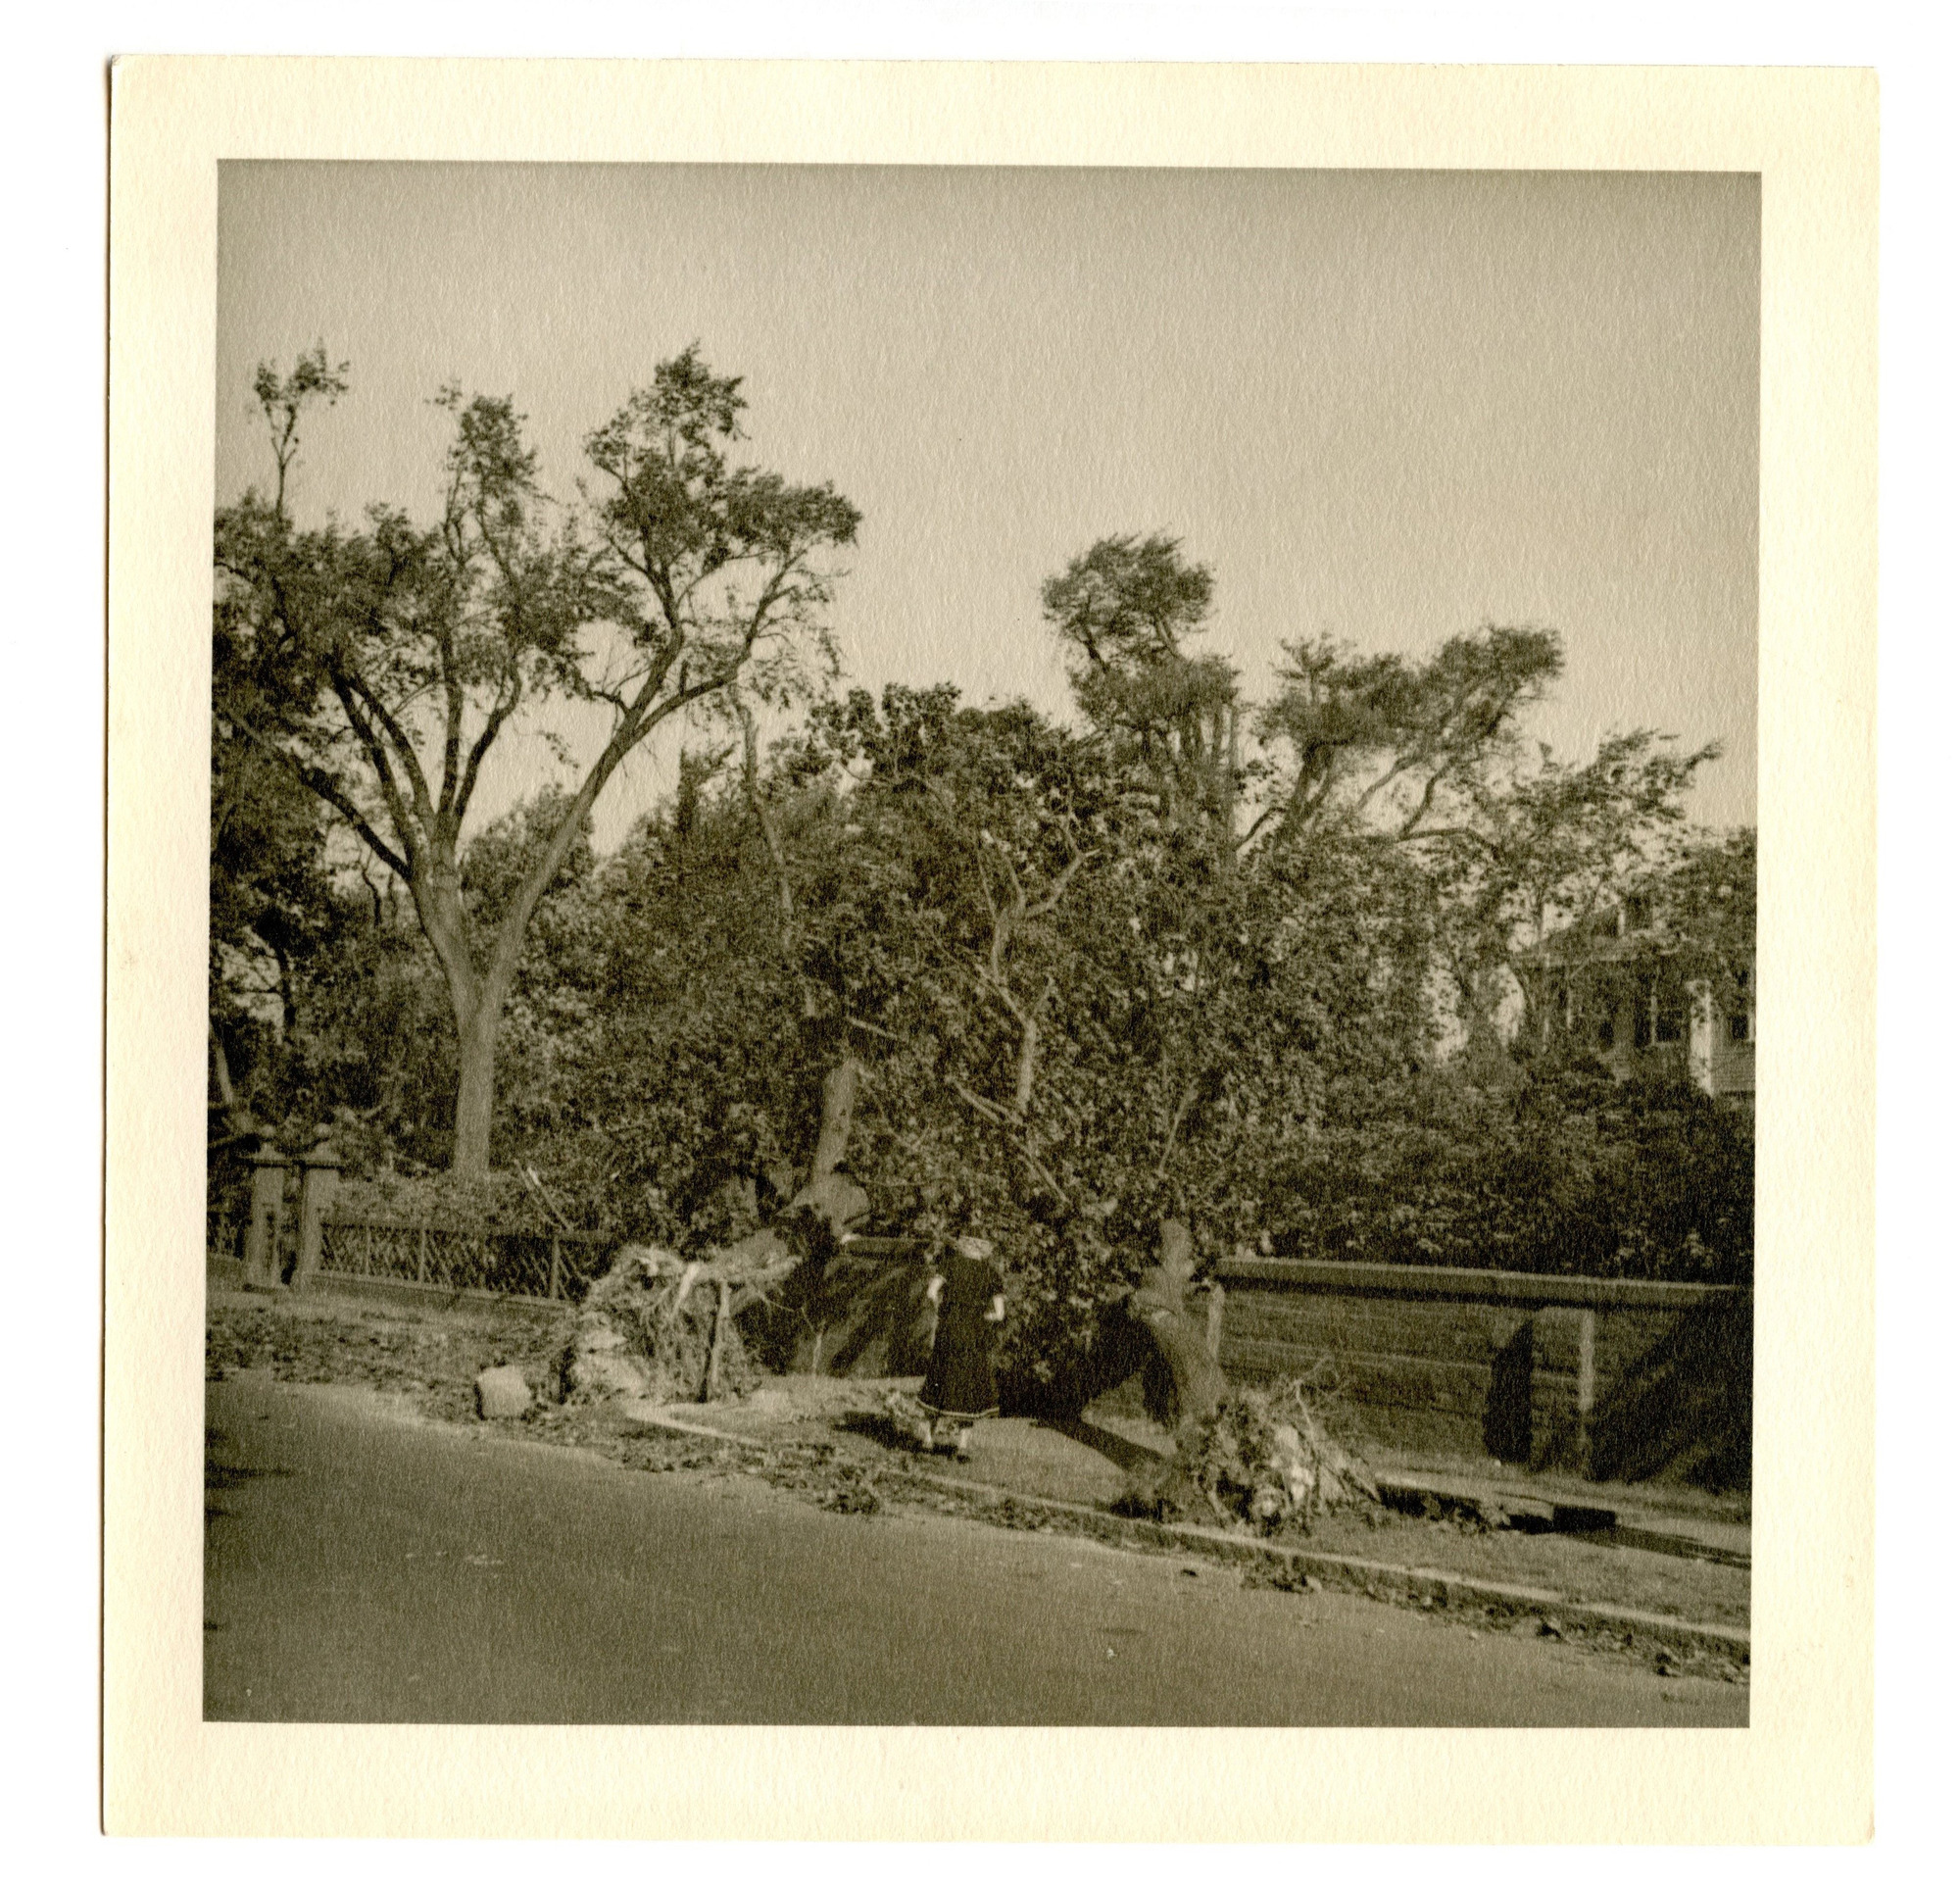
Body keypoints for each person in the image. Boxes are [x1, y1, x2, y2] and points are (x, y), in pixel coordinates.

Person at [916, 1233, 1006, 1460]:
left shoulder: (950, 1264)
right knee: (968, 1384)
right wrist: (983, 1317)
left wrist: (940, 1310)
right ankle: (962, 1446)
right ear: (984, 1250)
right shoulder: (991, 1273)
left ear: (963, 1246)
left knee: (939, 1377)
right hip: (974, 1334)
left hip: (949, 1329)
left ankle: (928, 1439)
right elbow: (999, 1314)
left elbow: (931, 1292)